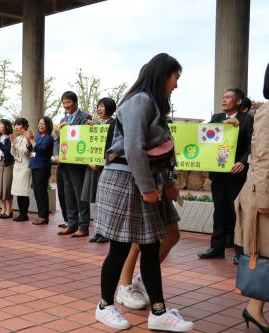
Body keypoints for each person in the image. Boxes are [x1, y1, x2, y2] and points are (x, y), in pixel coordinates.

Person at [94, 53, 193, 331]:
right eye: (176, 77)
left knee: (150, 248)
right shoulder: (140, 101)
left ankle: (159, 312)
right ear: (163, 75)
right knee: (120, 247)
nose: (176, 85)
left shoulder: (154, 105)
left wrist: (166, 184)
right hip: (126, 182)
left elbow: (156, 152)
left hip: (141, 181)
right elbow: (134, 149)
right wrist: (149, 188)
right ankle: (104, 306)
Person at [234, 59, 269, 333]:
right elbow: (264, 156)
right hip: (266, 194)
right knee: (265, 254)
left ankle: (255, 309)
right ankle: (254, 309)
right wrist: (265, 198)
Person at [197, 88, 253, 261]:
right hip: (219, 174)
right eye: (223, 97)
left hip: (236, 175)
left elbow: (253, 145)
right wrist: (223, 127)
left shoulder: (247, 120)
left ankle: (240, 252)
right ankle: (216, 248)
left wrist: (242, 162)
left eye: (228, 97)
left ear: (238, 101)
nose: (224, 100)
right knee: (219, 211)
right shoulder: (216, 119)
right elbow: (204, 137)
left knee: (237, 212)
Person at [58, 91, 92, 237]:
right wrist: (57, 155)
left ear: (75, 102)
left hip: (78, 163)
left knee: (80, 195)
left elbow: (89, 136)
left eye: (68, 102)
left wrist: (91, 127)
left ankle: (83, 226)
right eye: (64, 103)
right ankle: (72, 224)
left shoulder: (85, 117)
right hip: (65, 162)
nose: (66, 105)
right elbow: (58, 140)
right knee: (68, 195)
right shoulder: (63, 120)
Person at [85, 97, 116, 243]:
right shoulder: (96, 124)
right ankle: (98, 231)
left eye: (102, 106)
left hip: (106, 166)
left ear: (109, 108)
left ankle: (106, 233)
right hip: (94, 166)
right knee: (98, 200)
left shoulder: (114, 123)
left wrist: (102, 162)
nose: (99, 108)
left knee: (106, 201)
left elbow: (112, 146)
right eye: (98, 106)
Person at [27, 117, 54, 225]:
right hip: (34, 166)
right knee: (37, 192)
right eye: (39, 124)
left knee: (41, 192)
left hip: (42, 167)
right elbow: (32, 150)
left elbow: (41, 150)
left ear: (48, 125)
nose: (40, 125)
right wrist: (29, 140)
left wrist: (32, 139)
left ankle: (44, 216)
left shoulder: (49, 138)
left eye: (43, 124)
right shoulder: (38, 137)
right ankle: (40, 215)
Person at [10, 118, 32, 222]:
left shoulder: (29, 137)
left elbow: (27, 153)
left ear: (24, 126)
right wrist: (13, 144)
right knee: (18, 191)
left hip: (25, 166)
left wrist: (16, 144)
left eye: (18, 125)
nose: (16, 127)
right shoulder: (17, 138)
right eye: (15, 125)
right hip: (17, 166)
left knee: (23, 191)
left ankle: (24, 214)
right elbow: (13, 154)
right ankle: (21, 214)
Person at [0, 119, 14, 219]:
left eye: (1, 124)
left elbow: (7, 151)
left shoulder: (9, 138)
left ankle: (9, 211)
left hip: (7, 164)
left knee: (6, 188)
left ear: (7, 126)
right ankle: (3, 209)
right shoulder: (0, 137)